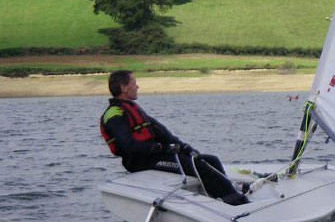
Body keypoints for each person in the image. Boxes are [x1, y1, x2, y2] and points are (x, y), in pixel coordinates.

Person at [99, 70, 249, 206]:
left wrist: (185, 147)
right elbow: (127, 146)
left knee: (210, 160)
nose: (138, 86)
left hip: (156, 154)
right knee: (198, 167)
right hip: (140, 161)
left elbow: (163, 133)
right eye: (134, 83)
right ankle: (235, 203)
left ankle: (230, 195)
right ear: (124, 87)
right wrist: (161, 148)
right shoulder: (114, 115)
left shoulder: (133, 108)